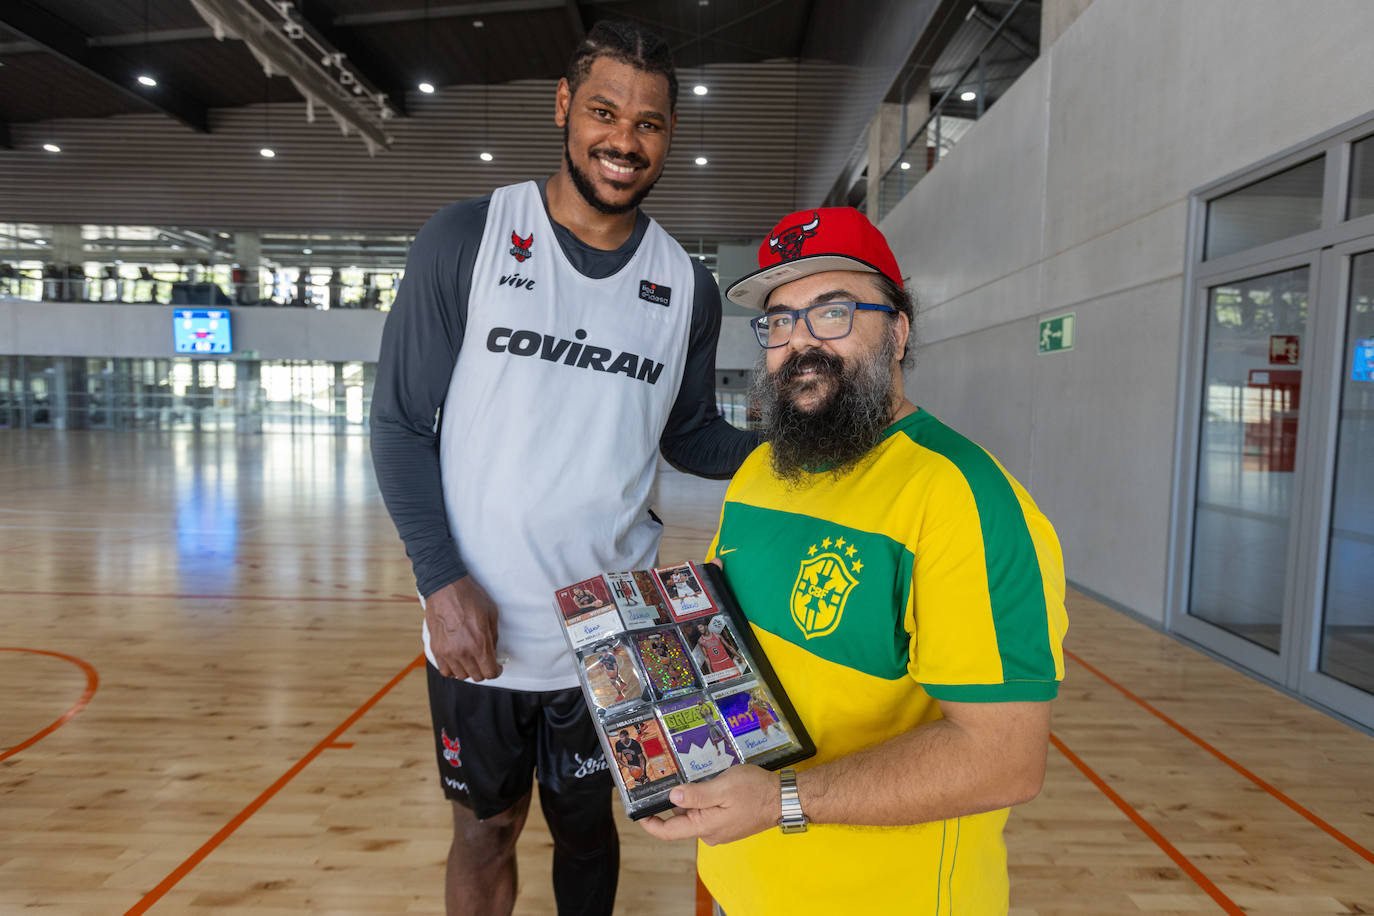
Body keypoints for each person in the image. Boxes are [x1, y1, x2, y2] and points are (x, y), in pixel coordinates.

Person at [369, 19, 758, 916]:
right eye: (604, 111)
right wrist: (441, 580)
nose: (624, 139)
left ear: (667, 137)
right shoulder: (467, 238)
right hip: (479, 627)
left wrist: (796, 450)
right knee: (484, 831)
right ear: (563, 110)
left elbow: (691, 435)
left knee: (589, 828)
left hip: (610, 630)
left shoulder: (684, 287)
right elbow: (397, 426)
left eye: (650, 122)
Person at [639, 207, 1068, 916]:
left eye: (833, 312)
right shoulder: (759, 475)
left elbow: (1004, 759)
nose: (800, 342)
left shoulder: (963, 499)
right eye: (779, 322)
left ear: (897, 333)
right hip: (740, 879)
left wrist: (778, 801)